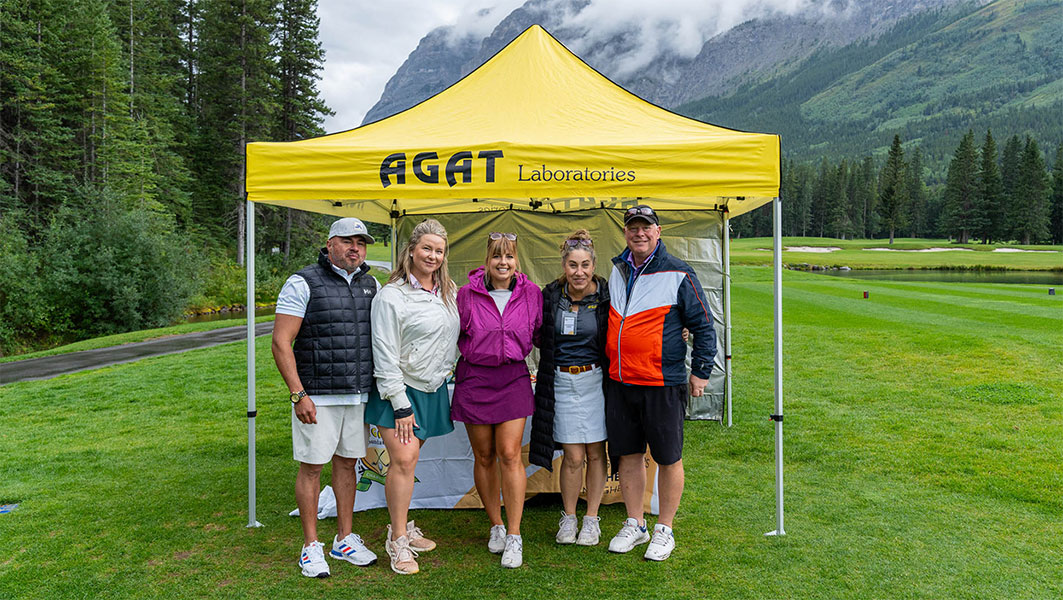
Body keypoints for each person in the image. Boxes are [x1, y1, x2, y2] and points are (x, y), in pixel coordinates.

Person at [605, 204, 717, 562]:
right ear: (625, 232)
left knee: (668, 457)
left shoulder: (679, 273)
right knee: (629, 455)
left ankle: (664, 529)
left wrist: (700, 371)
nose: (639, 233)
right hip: (621, 381)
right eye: (633, 227)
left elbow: (703, 325)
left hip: (661, 382)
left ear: (658, 231)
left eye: (646, 227)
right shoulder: (617, 269)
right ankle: (636, 524)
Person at [271, 217, 380, 578]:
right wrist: (298, 394)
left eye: (361, 243)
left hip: (357, 393)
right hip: (317, 395)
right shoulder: (302, 282)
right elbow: (280, 342)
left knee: (348, 465)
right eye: (348, 241)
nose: (355, 248)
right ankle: (310, 546)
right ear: (330, 243)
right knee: (313, 467)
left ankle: (344, 539)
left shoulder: (372, 283)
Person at [364, 219, 460, 575]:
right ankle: (398, 540)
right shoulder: (392, 295)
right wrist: (400, 403)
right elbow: (384, 352)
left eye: (439, 250)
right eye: (427, 248)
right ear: (412, 250)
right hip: (399, 391)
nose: (433, 256)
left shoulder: (447, 290)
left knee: (410, 463)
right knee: (403, 461)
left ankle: (402, 525)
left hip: (431, 387)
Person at [452, 232, 543, 568]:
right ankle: (497, 525)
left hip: (513, 378)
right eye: (496, 257)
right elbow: (454, 332)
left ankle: (515, 536)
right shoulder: (467, 294)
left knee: (509, 454)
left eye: (509, 257)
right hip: (475, 379)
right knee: (485, 455)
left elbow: (539, 333)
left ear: (516, 260)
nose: (503, 263)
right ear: (487, 260)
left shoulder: (531, 293)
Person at [529, 229, 611, 547]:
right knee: (573, 456)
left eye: (585, 265)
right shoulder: (550, 296)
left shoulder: (605, 295)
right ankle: (569, 518)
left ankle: (591, 519)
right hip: (561, 381)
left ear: (593, 265)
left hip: (596, 382)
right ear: (564, 266)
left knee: (595, 451)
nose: (579, 272)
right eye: (573, 265)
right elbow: (535, 332)